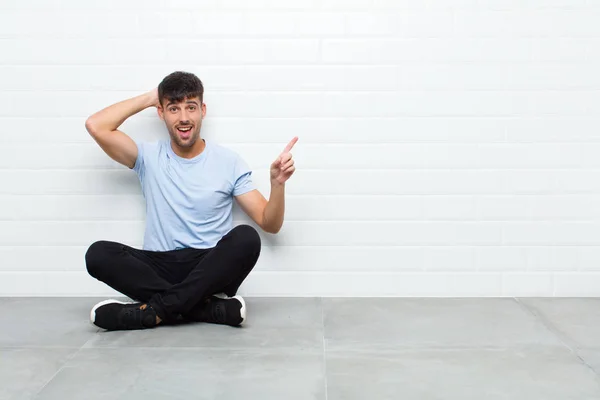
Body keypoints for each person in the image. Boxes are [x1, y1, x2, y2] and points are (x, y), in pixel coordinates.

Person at [84, 71, 297, 331]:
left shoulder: (228, 162)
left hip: (208, 269)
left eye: (191, 107)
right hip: (158, 265)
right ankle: (204, 308)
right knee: (98, 254)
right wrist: (152, 97)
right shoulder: (148, 156)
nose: (184, 117)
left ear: (202, 110)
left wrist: (277, 185)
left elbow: (269, 223)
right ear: (161, 113)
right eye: (173, 108)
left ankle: (152, 312)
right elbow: (96, 125)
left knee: (246, 238)